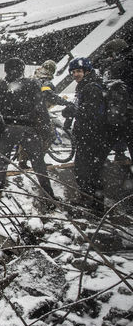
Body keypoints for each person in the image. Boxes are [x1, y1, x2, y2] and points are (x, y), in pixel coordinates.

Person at [0, 57, 55, 200]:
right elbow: (41, 109)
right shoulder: (32, 84)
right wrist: (45, 130)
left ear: (6, 70)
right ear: (22, 69)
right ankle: (48, 194)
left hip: (7, 129)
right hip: (28, 129)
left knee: (2, 162)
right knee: (38, 163)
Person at [62, 57, 110, 214]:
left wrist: (73, 111)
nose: (76, 74)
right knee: (84, 169)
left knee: (91, 170)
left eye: (79, 71)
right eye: (74, 72)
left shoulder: (91, 88)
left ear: (87, 71)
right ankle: (89, 199)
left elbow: (91, 112)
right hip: (88, 135)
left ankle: (96, 207)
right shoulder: (84, 86)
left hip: (94, 136)